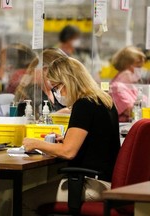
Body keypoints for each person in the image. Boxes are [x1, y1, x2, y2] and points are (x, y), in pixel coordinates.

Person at [22, 52, 120, 216]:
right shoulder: (103, 100)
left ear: (67, 81)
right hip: (106, 180)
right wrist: (66, 140)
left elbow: (68, 152)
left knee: (23, 200)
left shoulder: (84, 105)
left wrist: (36, 143)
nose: (57, 93)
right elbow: (95, 139)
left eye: (56, 87)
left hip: (91, 184)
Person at [14, 48, 67, 115]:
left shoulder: (54, 91)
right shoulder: (32, 93)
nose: (61, 77)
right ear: (44, 69)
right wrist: (58, 115)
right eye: (58, 72)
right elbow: (34, 121)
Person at [110, 46, 146, 122]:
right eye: (138, 66)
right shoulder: (115, 87)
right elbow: (131, 110)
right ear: (127, 66)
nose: (140, 70)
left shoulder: (132, 86)